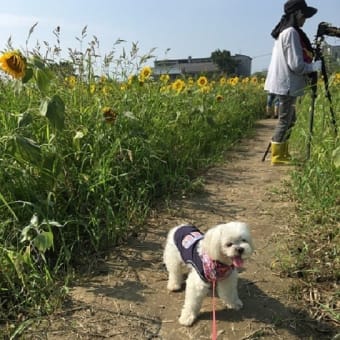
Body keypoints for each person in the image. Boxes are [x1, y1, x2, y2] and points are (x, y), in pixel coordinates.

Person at [264, 0, 322, 165]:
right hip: (287, 84)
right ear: (296, 14)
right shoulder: (291, 33)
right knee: (285, 119)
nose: (305, 20)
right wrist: (314, 66)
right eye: (304, 15)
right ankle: (277, 156)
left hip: (285, 82)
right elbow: (296, 65)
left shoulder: (286, 31)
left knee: (291, 119)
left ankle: (283, 152)